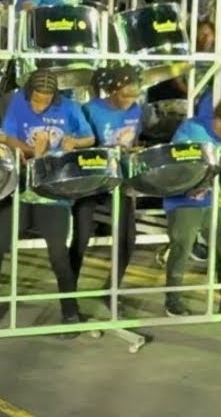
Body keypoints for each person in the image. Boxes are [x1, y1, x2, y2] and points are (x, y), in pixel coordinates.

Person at [0, 70, 94, 332]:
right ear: (29, 93)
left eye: (46, 101)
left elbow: (90, 138)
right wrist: (32, 151)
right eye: (37, 100)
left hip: (53, 193)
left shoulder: (70, 108)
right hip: (22, 189)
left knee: (58, 254)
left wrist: (74, 142)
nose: (41, 105)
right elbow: (8, 137)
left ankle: (70, 312)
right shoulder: (18, 103)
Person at [163, 94, 221, 316]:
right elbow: (176, 165)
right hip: (184, 198)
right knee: (183, 244)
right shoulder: (192, 129)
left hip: (212, 198)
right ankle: (172, 299)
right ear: (219, 121)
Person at [72, 66, 141, 299]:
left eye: (133, 96)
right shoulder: (90, 110)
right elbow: (83, 143)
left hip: (120, 178)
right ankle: (69, 292)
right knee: (81, 238)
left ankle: (111, 290)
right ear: (112, 91)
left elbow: (134, 140)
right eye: (124, 96)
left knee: (128, 239)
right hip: (93, 178)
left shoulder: (137, 110)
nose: (129, 101)